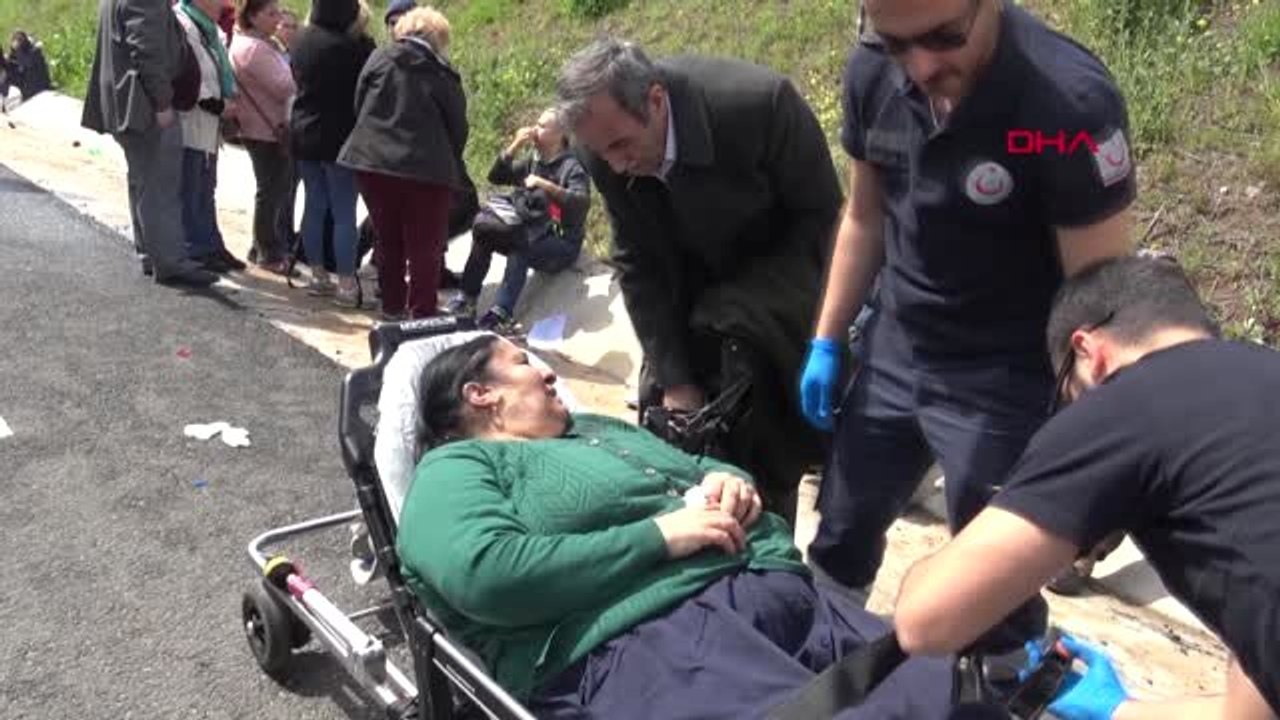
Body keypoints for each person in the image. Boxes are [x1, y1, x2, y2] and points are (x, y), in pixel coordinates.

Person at [798, 0, 1138, 659]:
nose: (921, 65)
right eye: (896, 43)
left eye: (944, 37)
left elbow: (1097, 298)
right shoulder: (873, 72)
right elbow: (865, 217)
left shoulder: (1066, 106)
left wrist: (1094, 439)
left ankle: (1001, 682)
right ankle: (821, 652)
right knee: (842, 527)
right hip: (899, 346)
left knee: (990, 586)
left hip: (1005, 377)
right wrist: (827, 338)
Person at [395, 333, 970, 719]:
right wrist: (660, 538)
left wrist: (730, 481)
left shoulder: (595, 429)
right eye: (524, 363)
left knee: (950, 693)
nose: (548, 372)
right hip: (646, 640)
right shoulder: (455, 468)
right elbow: (486, 575)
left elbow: (693, 467)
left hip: (780, 595)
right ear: (480, 394)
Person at [893, 255, 1280, 720]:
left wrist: (924, 574)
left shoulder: (1126, 403)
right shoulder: (1260, 388)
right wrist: (1118, 708)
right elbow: (1251, 709)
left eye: (1066, 393)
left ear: (1088, 351)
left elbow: (925, 623)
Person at [554, 36, 842, 526]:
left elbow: (825, 223)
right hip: (684, 294)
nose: (617, 165)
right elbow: (637, 262)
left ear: (656, 100)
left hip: (777, 287)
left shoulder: (758, 106)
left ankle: (768, 551)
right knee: (672, 439)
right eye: (603, 154)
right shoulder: (602, 143)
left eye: (621, 145)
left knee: (757, 448)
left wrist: (820, 334)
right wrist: (675, 379)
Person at [338, 6, 466, 321]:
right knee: (425, 245)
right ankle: (421, 311)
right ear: (438, 38)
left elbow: (359, 102)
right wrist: (450, 158)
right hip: (425, 168)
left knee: (387, 236)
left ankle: (392, 306)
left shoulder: (378, 58)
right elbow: (457, 126)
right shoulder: (441, 73)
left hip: (373, 161)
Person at [82, 0, 218, 288]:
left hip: (126, 102)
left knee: (142, 181)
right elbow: (147, 51)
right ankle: (170, 262)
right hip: (144, 105)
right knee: (160, 185)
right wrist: (162, 102)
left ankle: (151, 252)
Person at [446, 108, 591, 333]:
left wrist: (544, 185)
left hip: (561, 243)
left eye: (542, 126)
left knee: (520, 244)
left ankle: (502, 313)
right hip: (533, 231)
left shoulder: (571, 167)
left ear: (560, 134)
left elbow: (580, 203)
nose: (534, 129)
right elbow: (496, 176)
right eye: (536, 124)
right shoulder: (534, 160)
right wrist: (515, 146)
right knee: (485, 233)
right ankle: (467, 298)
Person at [289, 0, 375, 306]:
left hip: (304, 132)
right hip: (340, 138)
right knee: (343, 213)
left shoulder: (302, 39)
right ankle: (347, 284)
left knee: (314, 205)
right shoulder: (355, 48)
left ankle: (318, 276)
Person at [173, 0, 244, 274]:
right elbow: (190, 72)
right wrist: (217, 104)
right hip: (194, 116)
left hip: (210, 121)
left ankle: (211, 244)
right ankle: (196, 248)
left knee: (206, 187)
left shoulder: (210, 27)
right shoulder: (183, 23)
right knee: (192, 188)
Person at [230, 0, 297, 276]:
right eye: (271, 13)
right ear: (253, 16)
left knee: (272, 190)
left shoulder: (256, 43)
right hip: (265, 129)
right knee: (271, 192)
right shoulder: (255, 49)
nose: (277, 18)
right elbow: (285, 86)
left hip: (262, 126)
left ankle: (260, 247)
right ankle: (268, 252)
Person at [7, 31, 52, 101]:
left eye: (19, 40)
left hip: (38, 86)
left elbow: (27, 64)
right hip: (28, 85)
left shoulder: (34, 52)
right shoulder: (18, 52)